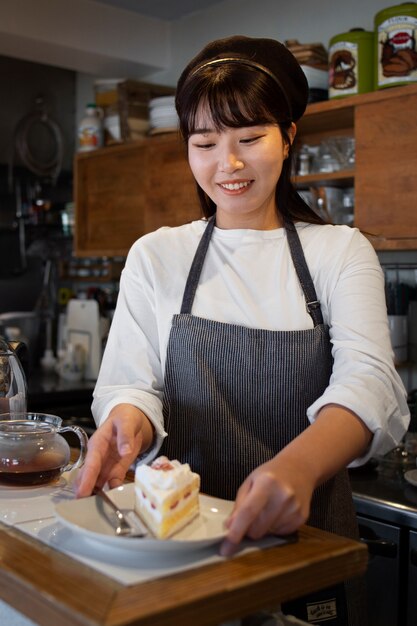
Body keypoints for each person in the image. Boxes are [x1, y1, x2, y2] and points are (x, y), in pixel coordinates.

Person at [76, 36, 409, 625]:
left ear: (289, 138)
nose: (226, 165)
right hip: (178, 546)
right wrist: (127, 420)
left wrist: (299, 467)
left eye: (249, 140)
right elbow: (131, 382)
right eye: (204, 144)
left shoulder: (338, 251)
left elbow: (371, 384)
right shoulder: (158, 255)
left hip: (305, 544)